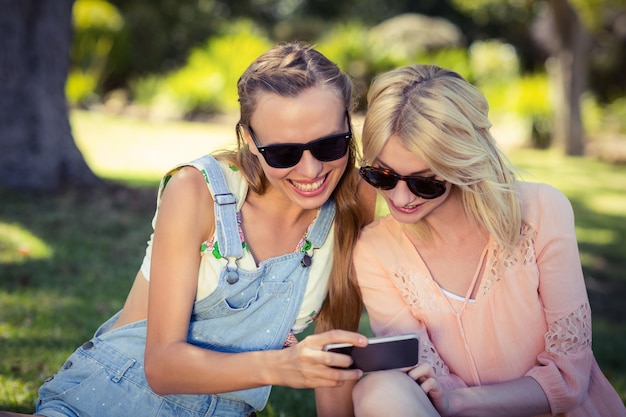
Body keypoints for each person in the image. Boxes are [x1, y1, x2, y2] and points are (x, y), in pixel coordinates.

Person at [2, 42, 377, 417]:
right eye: (283, 153)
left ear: (348, 125)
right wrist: (280, 366)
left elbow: (335, 362)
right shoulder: (198, 191)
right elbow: (163, 367)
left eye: (330, 145)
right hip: (114, 398)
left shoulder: (353, 202)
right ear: (249, 140)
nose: (311, 171)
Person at [348, 64, 626, 416]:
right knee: (378, 389)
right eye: (382, 176)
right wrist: (444, 397)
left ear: (461, 163)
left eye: (424, 182)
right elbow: (429, 380)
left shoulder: (541, 211)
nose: (400, 199)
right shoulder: (375, 251)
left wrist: (458, 401)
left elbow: (569, 378)